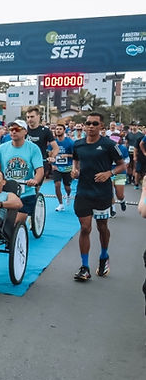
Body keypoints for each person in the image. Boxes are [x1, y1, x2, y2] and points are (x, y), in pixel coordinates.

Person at [70, 111, 125, 281]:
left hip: (102, 192)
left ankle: (103, 256)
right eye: (88, 123)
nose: (91, 127)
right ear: (84, 126)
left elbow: (123, 165)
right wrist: (75, 170)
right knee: (85, 228)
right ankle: (84, 267)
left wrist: (110, 173)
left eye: (95, 124)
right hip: (83, 191)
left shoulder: (108, 144)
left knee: (102, 227)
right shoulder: (78, 144)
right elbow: (76, 160)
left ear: (102, 126)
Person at [0, 118, 44, 226]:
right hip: (6, 192)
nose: (13, 131)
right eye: (11, 129)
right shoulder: (2, 148)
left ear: (25, 131)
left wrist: (35, 180)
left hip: (26, 193)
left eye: (17, 129)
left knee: (14, 224)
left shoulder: (33, 148)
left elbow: (39, 170)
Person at [24, 107, 58, 189]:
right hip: (25, 162)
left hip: (40, 163)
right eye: (28, 117)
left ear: (38, 116)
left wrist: (51, 157)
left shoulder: (45, 131)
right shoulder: (23, 130)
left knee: (35, 187)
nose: (29, 119)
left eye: (32, 117)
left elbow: (56, 148)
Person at [50, 122, 75, 212]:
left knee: (67, 187)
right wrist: (52, 164)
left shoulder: (70, 142)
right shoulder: (53, 143)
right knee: (57, 185)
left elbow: (75, 156)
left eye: (60, 129)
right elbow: (50, 154)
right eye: (57, 129)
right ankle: (60, 204)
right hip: (57, 167)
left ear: (64, 131)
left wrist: (66, 155)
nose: (58, 131)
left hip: (67, 168)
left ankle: (68, 195)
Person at [124, 121, 143, 188]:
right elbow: (126, 143)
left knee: (135, 165)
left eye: (135, 125)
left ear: (137, 126)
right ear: (131, 126)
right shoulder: (128, 134)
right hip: (129, 151)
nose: (134, 127)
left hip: (137, 152)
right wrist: (125, 150)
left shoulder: (141, 134)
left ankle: (134, 179)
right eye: (133, 125)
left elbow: (142, 144)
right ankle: (129, 178)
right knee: (129, 165)